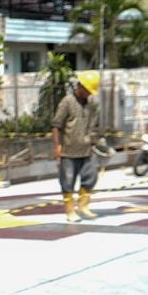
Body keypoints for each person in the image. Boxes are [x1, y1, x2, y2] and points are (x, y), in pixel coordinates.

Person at [52, 70, 103, 222]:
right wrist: (57, 148)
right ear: (80, 87)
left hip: (86, 149)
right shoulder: (67, 102)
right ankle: (69, 211)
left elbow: (93, 123)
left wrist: (95, 139)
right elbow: (56, 125)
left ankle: (83, 205)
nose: (89, 94)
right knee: (67, 182)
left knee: (91, 177)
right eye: (87, 90)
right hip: (68, 150)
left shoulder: (92, 103)